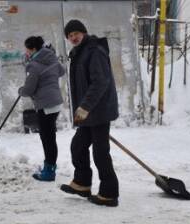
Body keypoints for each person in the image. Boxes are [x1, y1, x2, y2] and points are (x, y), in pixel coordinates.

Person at [60, 20, 120, 207]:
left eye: (76, 33)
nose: (73, 37)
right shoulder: (79, 53)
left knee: (100, 153)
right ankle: (82, 184)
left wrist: (85, 106)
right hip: (88, 112)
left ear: (84, 33)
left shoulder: (94, 51)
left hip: (98, 110)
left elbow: (100, 82)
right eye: (70, 36)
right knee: (78, 146)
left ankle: (109, 194)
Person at [18, 36, 65, 181]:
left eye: (26, 48)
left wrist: (21, 90)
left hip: (45, 105)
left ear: (33, 49)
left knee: (47, 139)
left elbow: (28, 90)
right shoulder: (51, 59)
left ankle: (49, 171)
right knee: (50, 137)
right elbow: (61, 71)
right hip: (55, 103)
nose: (25, 51)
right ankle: (49, 166)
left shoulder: (34, 65)